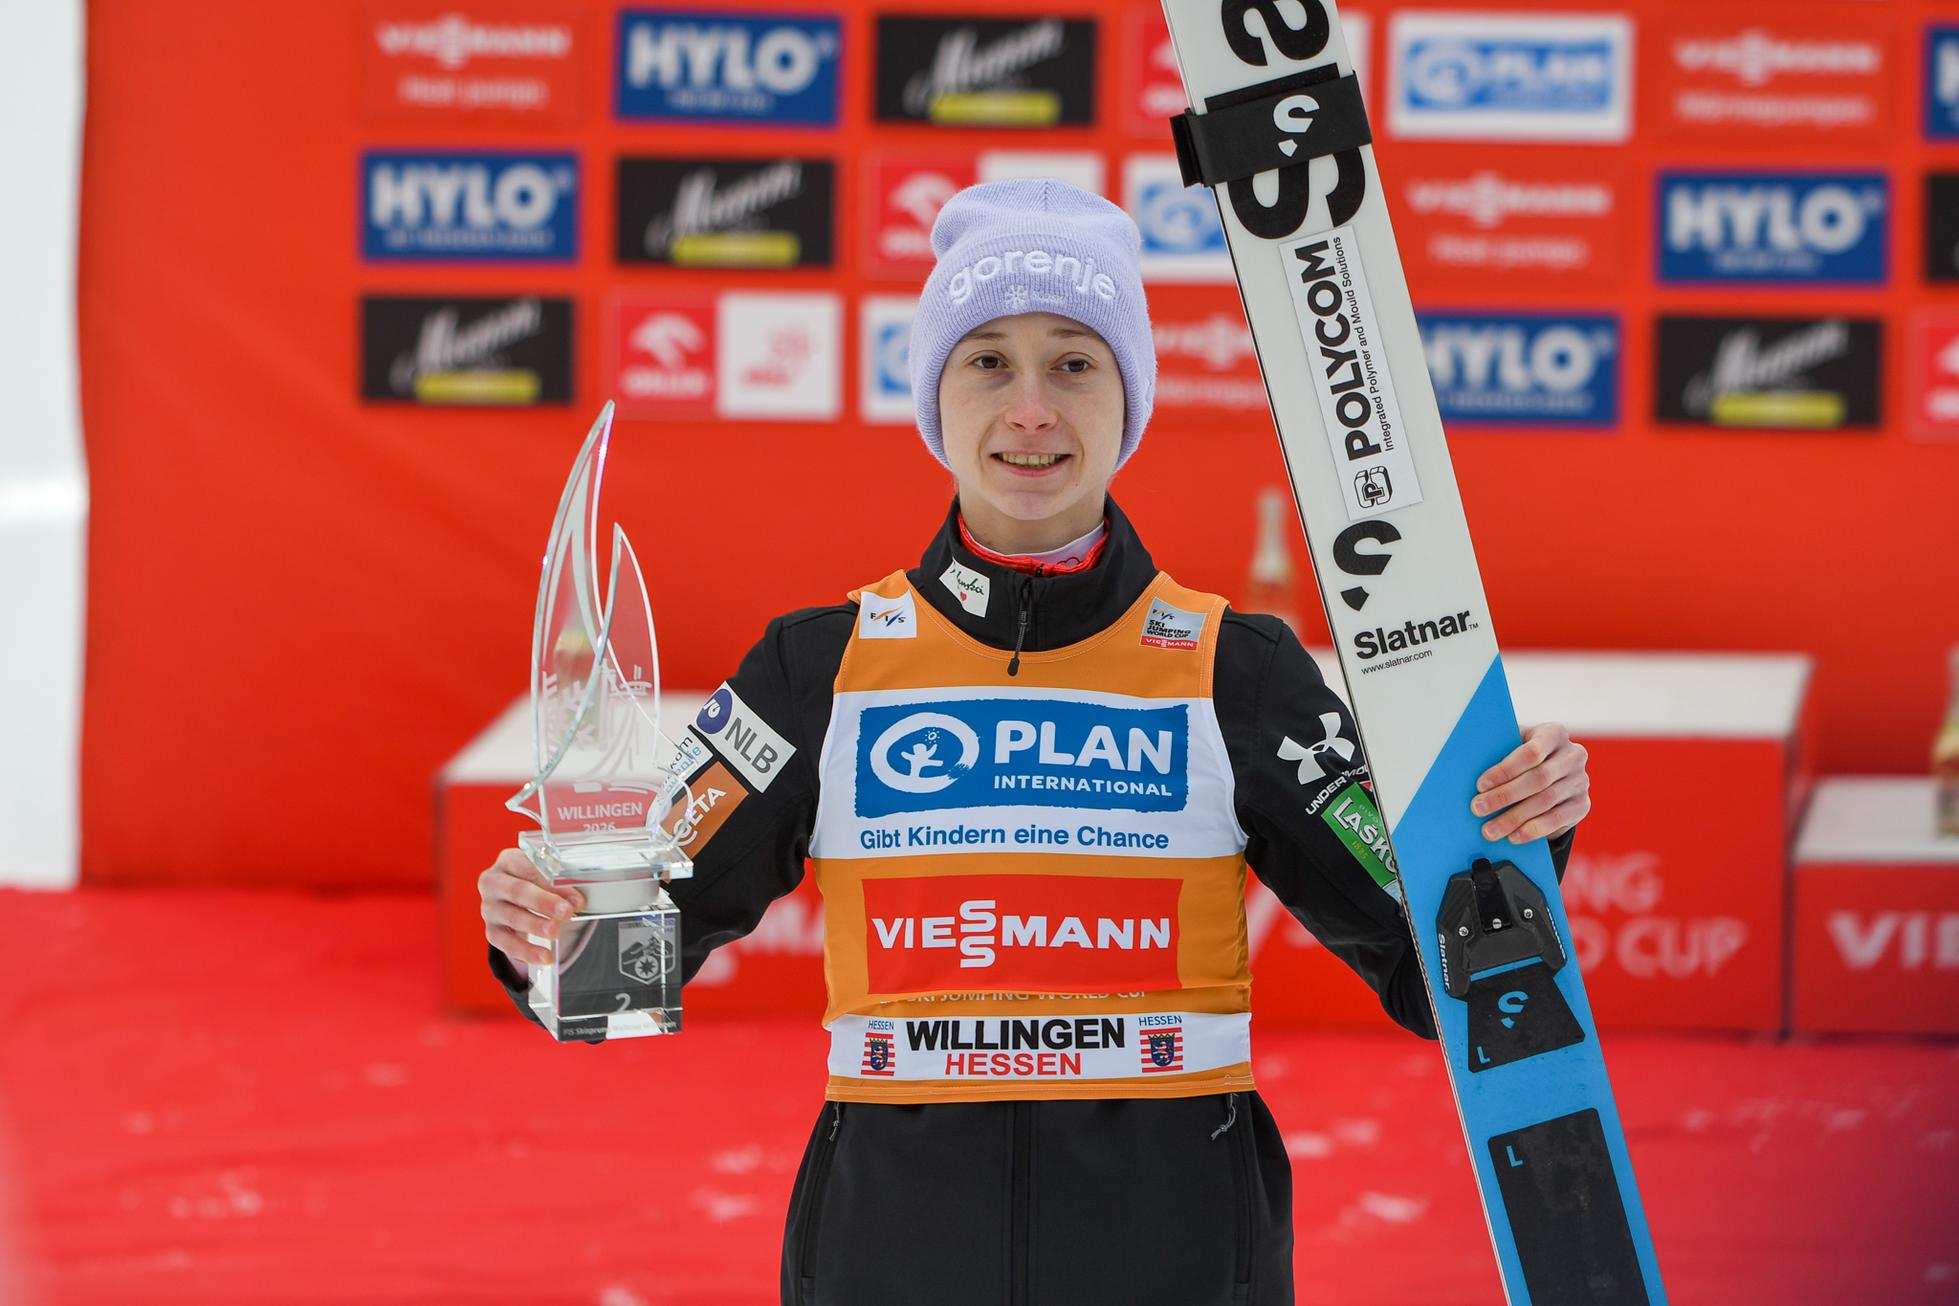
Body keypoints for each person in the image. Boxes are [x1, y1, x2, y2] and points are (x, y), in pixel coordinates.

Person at [478, 180, 1591, 1305]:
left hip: (1174, 1260)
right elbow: (615, 968)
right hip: (893, 1259)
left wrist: (1515, 829)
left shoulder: (1235, 671)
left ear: (1128, 394)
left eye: (1072, 363)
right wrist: (544, 936)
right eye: (987, 361)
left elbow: (1437, 968)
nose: (1029, 410)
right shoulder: (817, 669)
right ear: (935, 391)